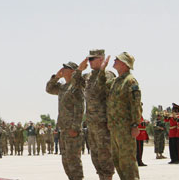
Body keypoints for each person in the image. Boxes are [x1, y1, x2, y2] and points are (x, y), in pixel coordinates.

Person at [99, 52, 142, 180]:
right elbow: (102, 85)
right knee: (118, 161)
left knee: (127, 162)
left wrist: (135, 124)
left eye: (117, 59)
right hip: (115, 128)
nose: (114, 61)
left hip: (125, 128)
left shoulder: (130, 81)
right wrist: (102, 69)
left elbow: (136, 104)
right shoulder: (116, 81)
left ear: (124, 64)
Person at [74, 49, 115, 180]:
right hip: (91, 123)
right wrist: (79, 70)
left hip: (103, 123)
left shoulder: (108, 75)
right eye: (89, 59)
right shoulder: (87, 76)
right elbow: (74, 84)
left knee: (105, 158)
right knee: (95, 157)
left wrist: (102, 70)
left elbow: (101, 90)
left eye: (93, 59)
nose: (90, 61)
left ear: (101, 59)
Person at [46, 61, 85, 180]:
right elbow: (49, 89)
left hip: (72, 130)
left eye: (66, 68)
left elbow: (79, 109)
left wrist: (75, 127)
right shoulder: (62, 87)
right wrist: (56, 77)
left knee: (74, 161)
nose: (63, 69)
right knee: (66, 161)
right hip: (63, 130)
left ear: (73, 71)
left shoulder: (76, 87)